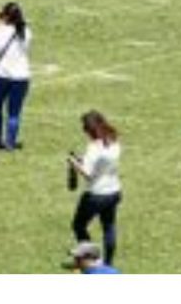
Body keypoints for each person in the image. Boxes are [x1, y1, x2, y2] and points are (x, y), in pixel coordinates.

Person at [68, 110, 122, 266]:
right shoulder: (114, 141)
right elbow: (101, 163)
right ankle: (109, 263)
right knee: (109, 227)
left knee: (78, 225)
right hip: (114, 191)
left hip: (96, 194)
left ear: (89, 129)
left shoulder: (94, 147)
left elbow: (88, 174)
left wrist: (74, 163)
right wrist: (82, 160)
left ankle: (90, 259)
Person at [0, 2, 33, 151]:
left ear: (4, 16)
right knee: (14, 113)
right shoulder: (26, 31)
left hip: (0, 76)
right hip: (22, 77)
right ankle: (10, 143)